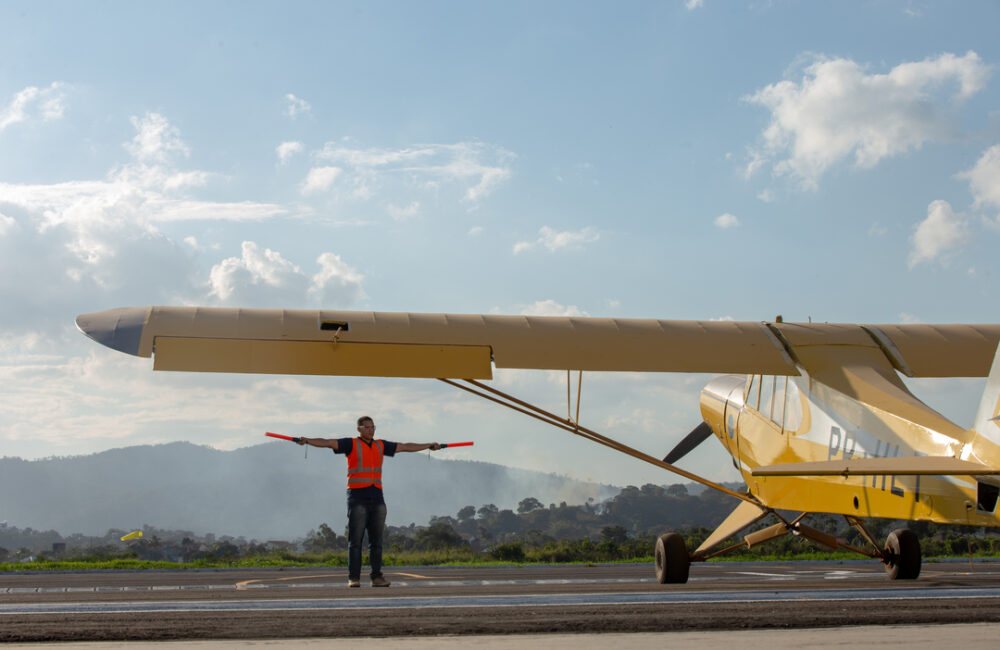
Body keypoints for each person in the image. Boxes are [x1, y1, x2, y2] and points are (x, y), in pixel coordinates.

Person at [296, 416, 440, 587]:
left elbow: (405, 446)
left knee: (376, 542)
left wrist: (428, 445)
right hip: (357, 497)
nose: (371, 430)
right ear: (359, 429)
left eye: (373, 427)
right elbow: (328, 442)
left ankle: (377, 577)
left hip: (377, 497)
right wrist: (308, 441)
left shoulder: (380, 445)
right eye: (367, 427)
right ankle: (354, 578)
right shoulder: (351, 444)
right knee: (355, 541)